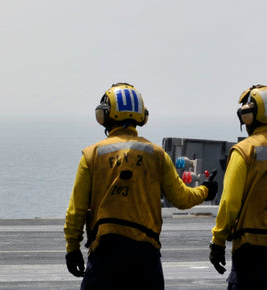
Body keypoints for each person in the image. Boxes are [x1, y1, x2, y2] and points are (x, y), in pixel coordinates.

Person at [63, 83, 216, 289]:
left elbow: (76, 211)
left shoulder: (92, 155)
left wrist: (72, 248)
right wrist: (205, 190)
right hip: (145, 257)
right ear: (141, 116)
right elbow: (181, 198)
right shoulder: (156, 155)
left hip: (105, 255)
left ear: (106, 116)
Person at [208, 84, 267, 289]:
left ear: (248, 116)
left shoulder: (244, 151)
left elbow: (230, 201)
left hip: (251, 250)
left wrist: (218, 241)